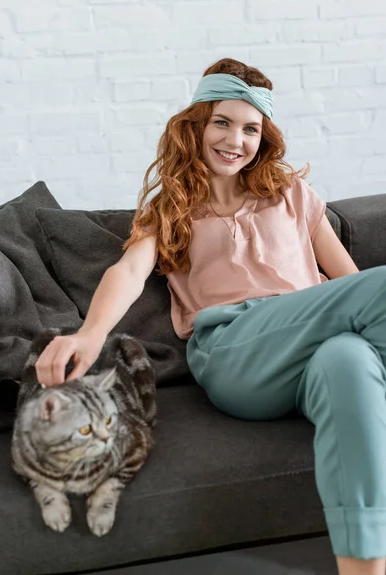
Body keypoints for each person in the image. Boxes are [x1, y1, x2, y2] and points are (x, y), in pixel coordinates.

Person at [36, 57, 386, 575]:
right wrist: (89, 335)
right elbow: (129, 272)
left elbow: (353, 285)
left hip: (312, 349)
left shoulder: (293, 195)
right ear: (197, 125)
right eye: (222, 122)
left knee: (351, 361)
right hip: (235, 350)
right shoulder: (171, 207)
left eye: (250, 128)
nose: (235, 139)